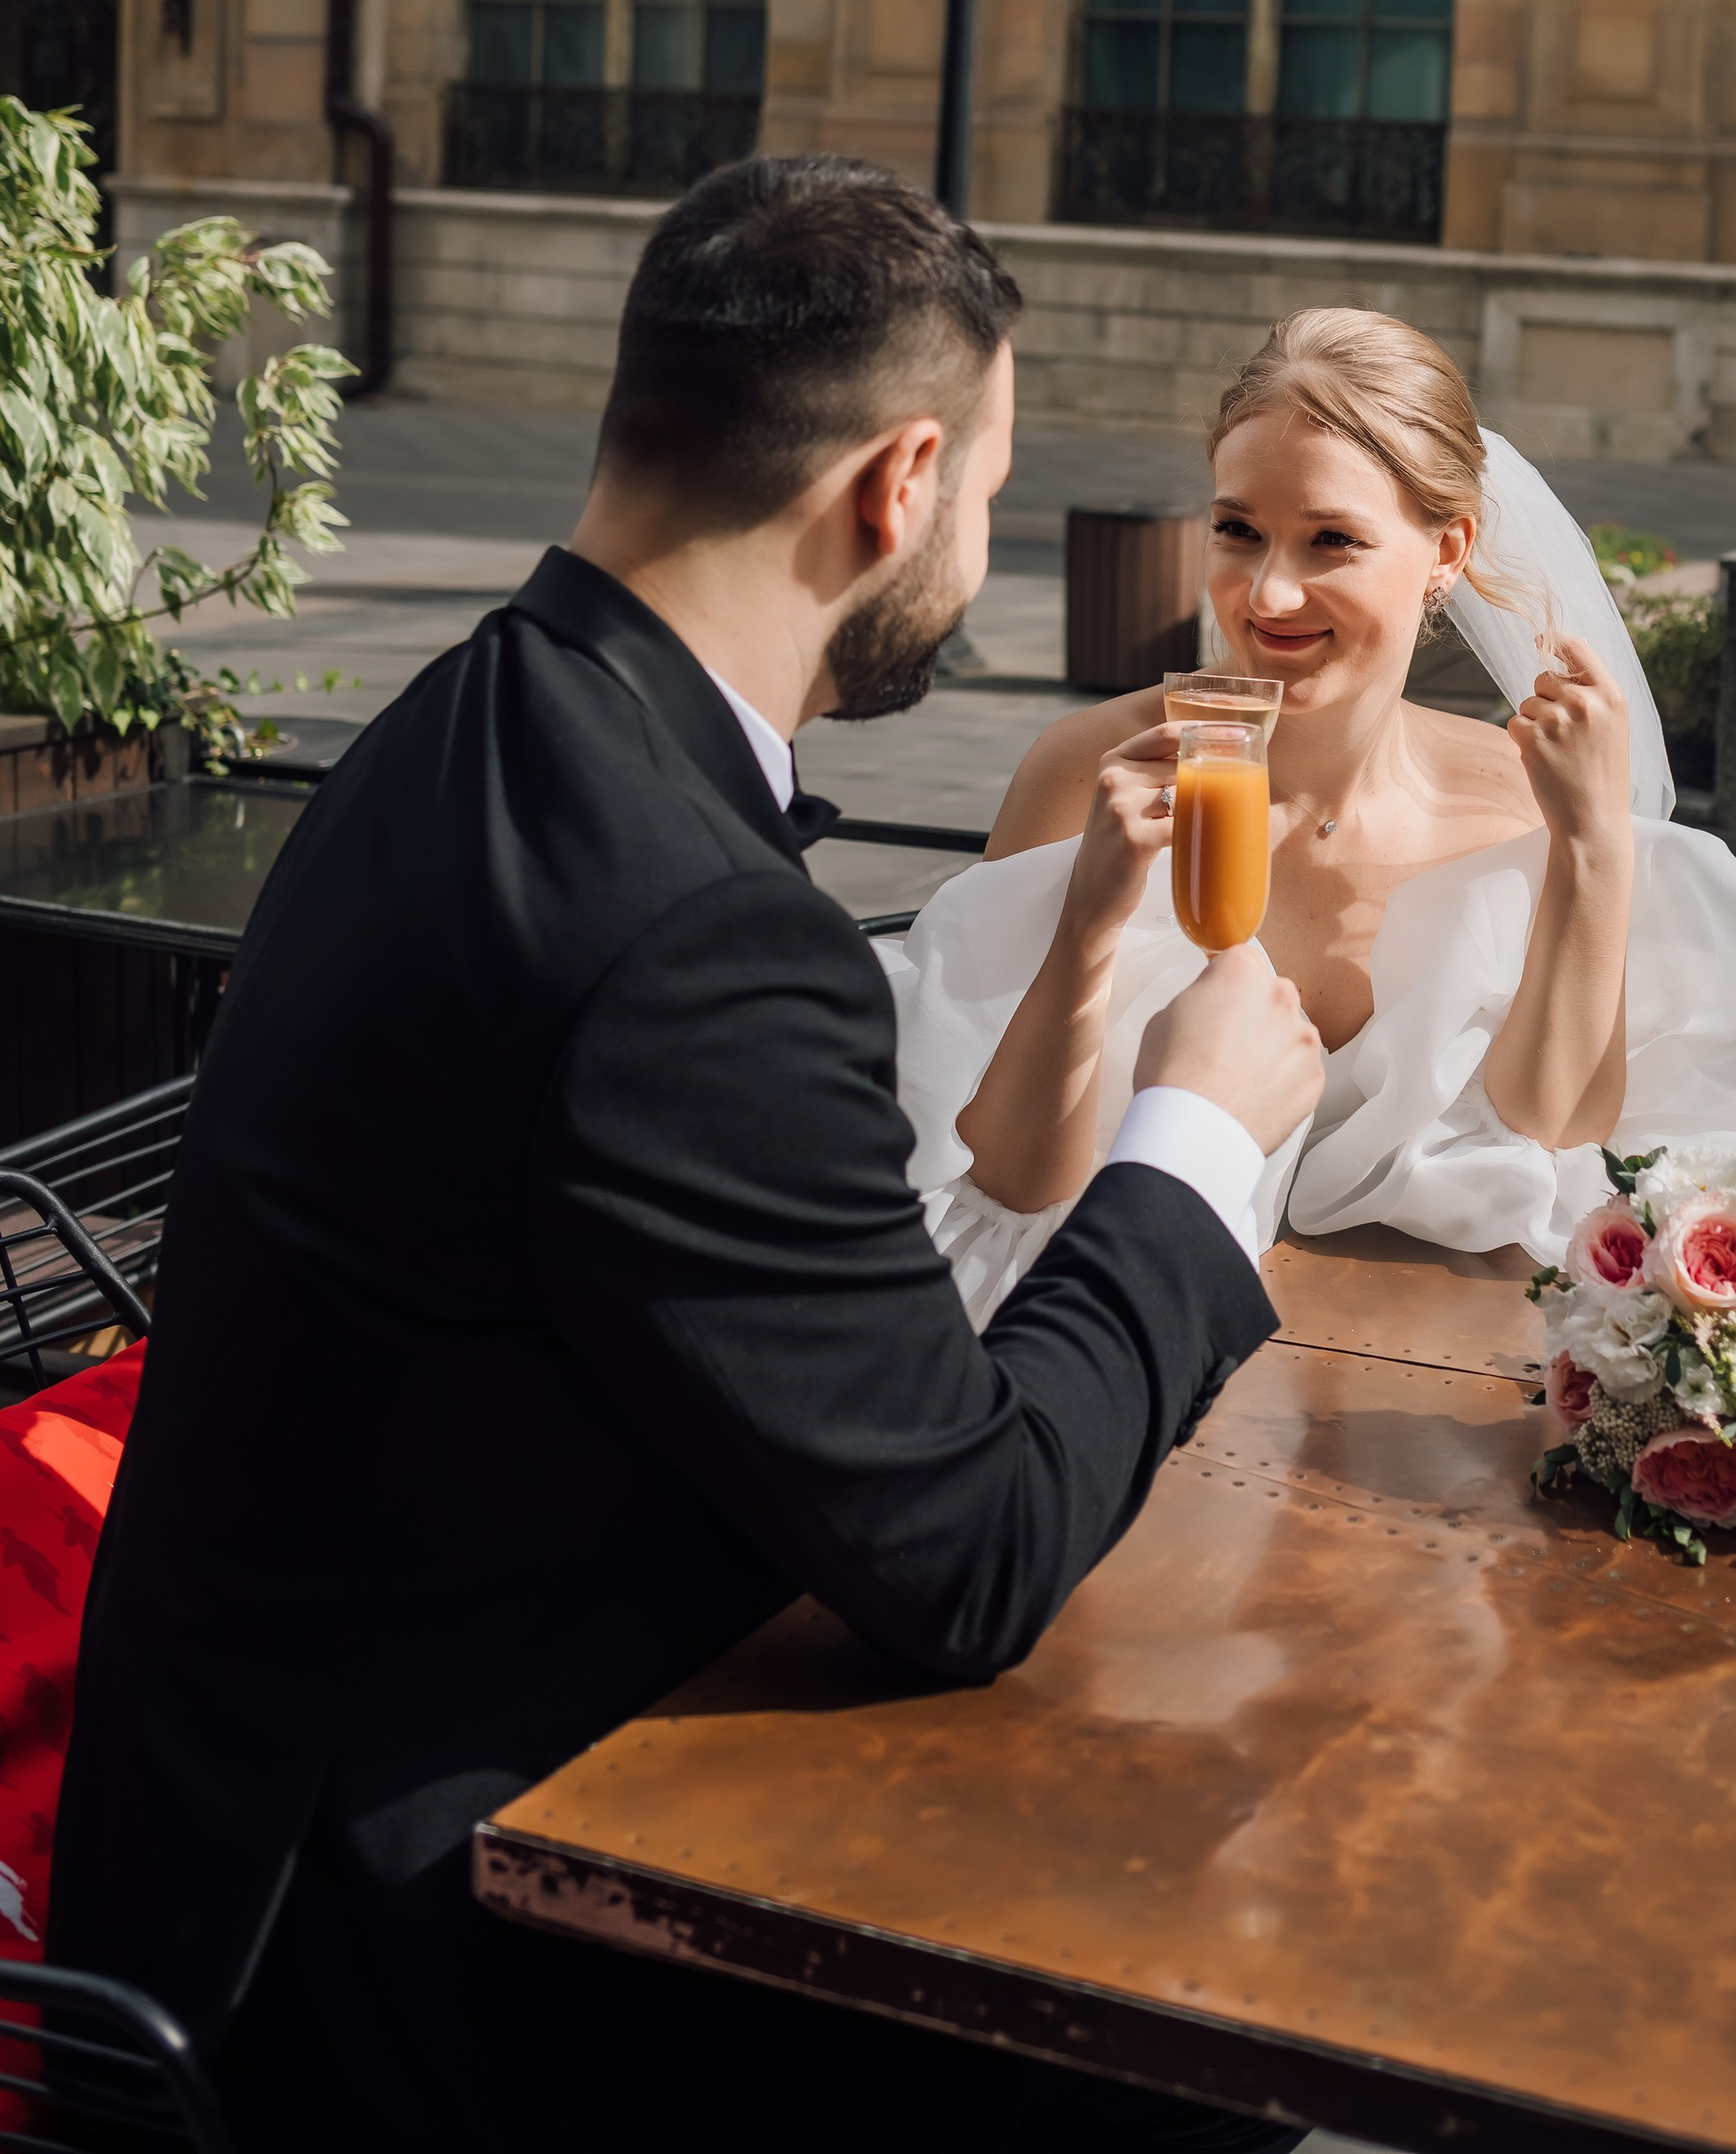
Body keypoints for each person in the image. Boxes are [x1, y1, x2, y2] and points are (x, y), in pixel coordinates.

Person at [50, 156, 1325, 2154]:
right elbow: (973, 1552)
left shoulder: (468, 718)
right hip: (409, 1968)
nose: (980, 548)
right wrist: (1193, 1144)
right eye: (990, 496)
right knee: (1199, 2035)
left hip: (226, 1831)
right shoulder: (694, 929)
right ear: (898, 483)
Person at [891, 309, 1736, 1326]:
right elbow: (1003, 1185)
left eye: (1332, 541)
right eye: (1237, 531)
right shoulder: (1090, 772)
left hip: (1426, 1350)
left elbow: (1553, 1137)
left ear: (1446, 550)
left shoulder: (1519, 800)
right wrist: (1088, 925)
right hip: (1114, 1319)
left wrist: (1593, 844)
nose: (1269, 593)